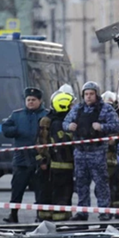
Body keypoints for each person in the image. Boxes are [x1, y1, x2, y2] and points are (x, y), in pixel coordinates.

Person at [63, 81, 119, 221]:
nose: (88, 97)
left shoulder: (105, 109)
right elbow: (65, 123)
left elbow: (117, 125)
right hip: (80, 152)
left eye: (91, 94)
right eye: (86, 94)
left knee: (101, 183)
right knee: (81, 183)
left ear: (96, 95)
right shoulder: (77, 109)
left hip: (98, 151)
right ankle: (83, 211)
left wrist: (101, 127)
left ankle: (104, 211)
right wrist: (68, 126)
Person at [2, 87, 48, 223]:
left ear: (40, 101)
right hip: (21, 158)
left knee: (41, 190)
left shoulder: (46, 115)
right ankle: (13, 214)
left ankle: (40, 215)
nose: (31, 102)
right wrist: (15, 130)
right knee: (17, 188)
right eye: (28, 100)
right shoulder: (17, 115)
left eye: (34, 100)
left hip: (39, 158)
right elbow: (6, 129)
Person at [35, 91, 76, 221]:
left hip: (52, 164)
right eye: (71, 105)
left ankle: (47, 217)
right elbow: (60, 141)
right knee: (62, 192)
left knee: (48, 190)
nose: (73, 107)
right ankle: (60, 218)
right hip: (61, 163)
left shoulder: (52, 119)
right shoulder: (59, 123)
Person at [101, 91, 119, 218]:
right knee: (105, 184)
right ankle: (107, 209)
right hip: (105, 156)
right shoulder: (100, 116)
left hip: (118, 154)